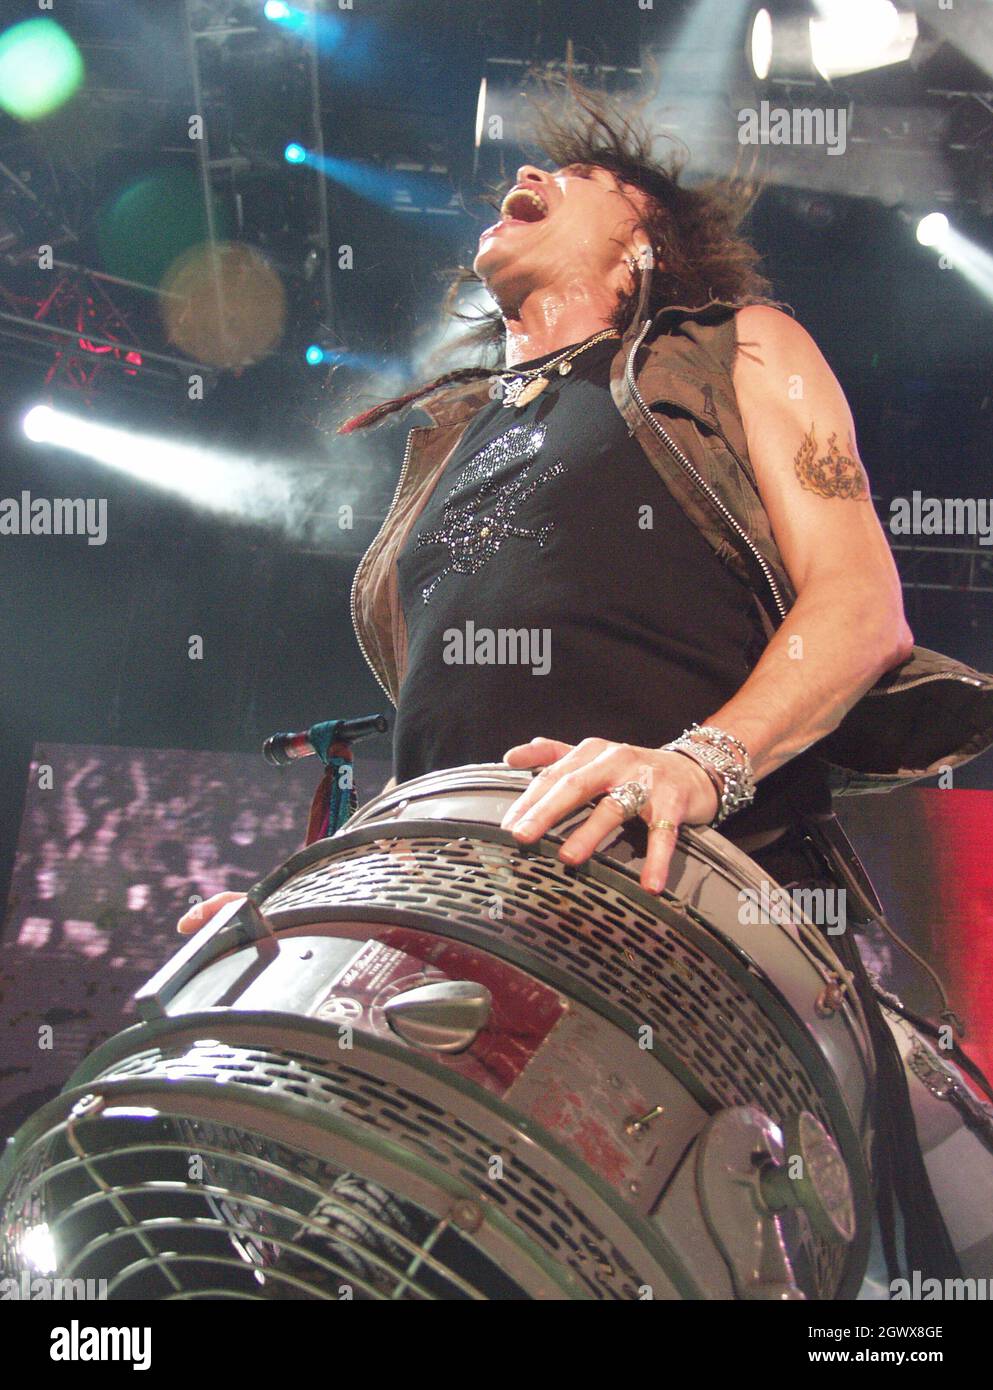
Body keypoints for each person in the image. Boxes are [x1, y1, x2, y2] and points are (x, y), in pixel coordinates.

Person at [178, 85, 993, 1284]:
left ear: (645, 236)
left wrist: (696, 762)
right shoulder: (451, 442)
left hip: (680, 930)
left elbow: (860, 606)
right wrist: (316, 902)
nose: (528, 174)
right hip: (461, 954)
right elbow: (451, 744)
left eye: (575, 174)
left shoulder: (737, 346)